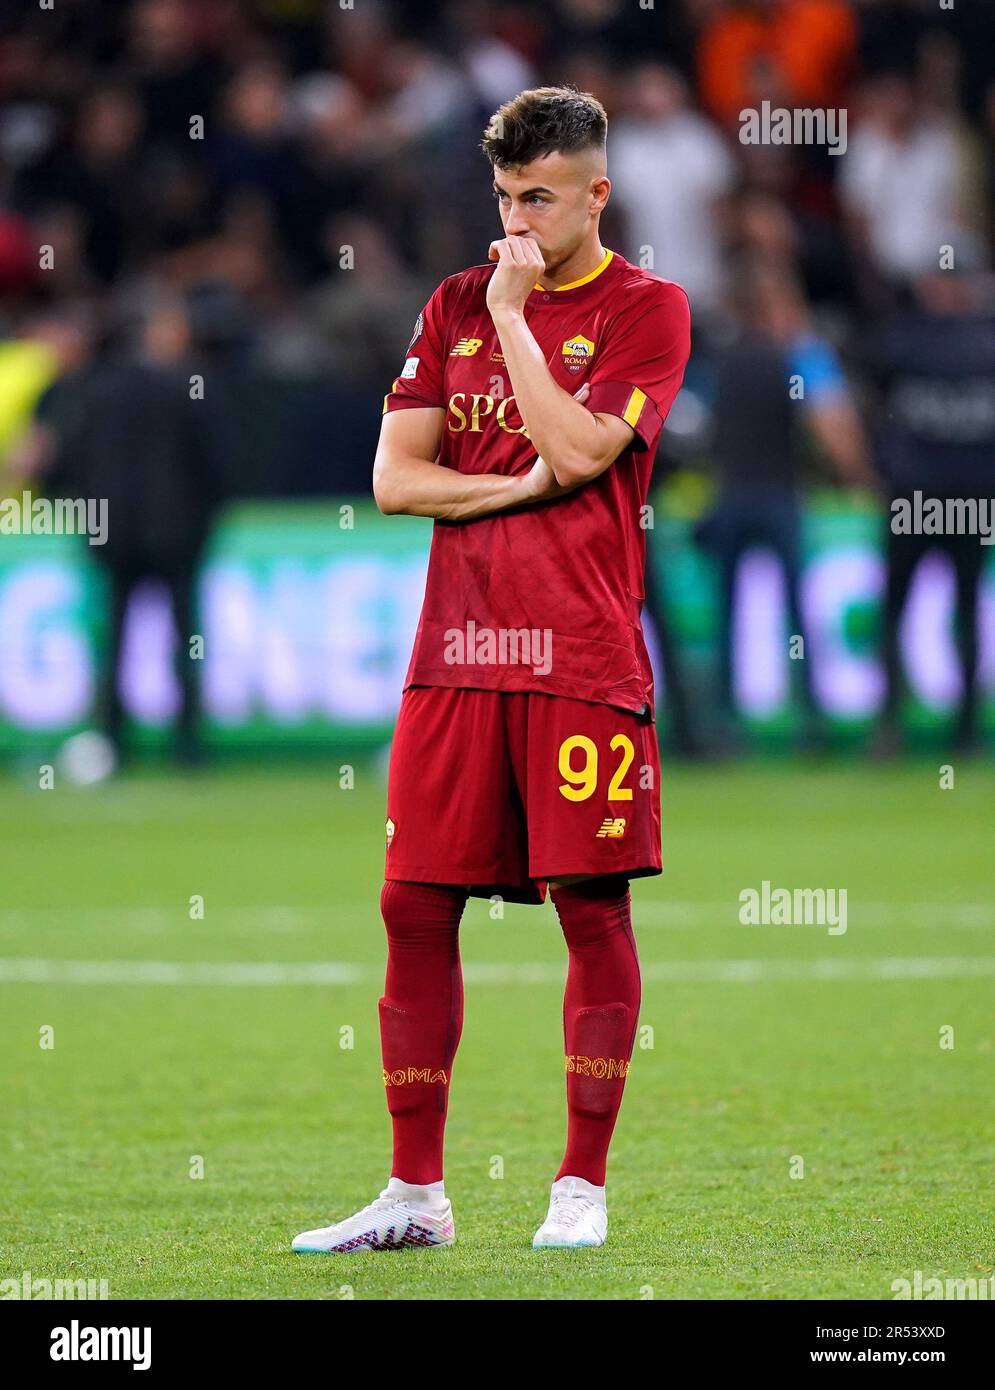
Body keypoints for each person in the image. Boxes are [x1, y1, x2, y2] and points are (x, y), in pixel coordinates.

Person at [292, 85, 690, 1254]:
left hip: (578, 654)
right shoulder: (448, 301)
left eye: (541, 198)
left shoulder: (646, 310)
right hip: (456, 655)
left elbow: (578, 452)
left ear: (595, 195)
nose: (518, 220)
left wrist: (519, 324)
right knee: (411, 905)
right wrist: (506, 488)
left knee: (587, 905)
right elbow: (396, 479)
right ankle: (415, 1195)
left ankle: (580, 1187)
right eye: (507, 197)